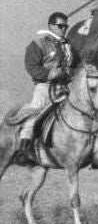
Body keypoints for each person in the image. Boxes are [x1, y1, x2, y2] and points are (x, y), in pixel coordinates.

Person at [14, 12, 79, 159]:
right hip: (44, 87)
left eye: (66, 26)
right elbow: (31, 66)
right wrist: (49, 74)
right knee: (35, 113)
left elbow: (76, 64)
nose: (64, 29)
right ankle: (23, 150)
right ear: (51, 26)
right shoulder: (38, 43)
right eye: (60, 26)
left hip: (64, 88)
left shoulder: (68, 46)